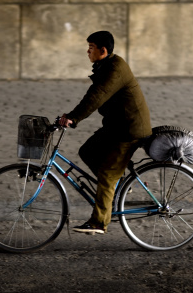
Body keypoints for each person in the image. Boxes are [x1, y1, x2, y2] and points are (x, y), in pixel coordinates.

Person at [59, 31, 152, 234]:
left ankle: (99, 222)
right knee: (88, 151)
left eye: (91, 47)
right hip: (116, 126)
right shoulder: (106, 65)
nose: (88, 51)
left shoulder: (115, 69)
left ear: (103, 50)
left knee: (107, 176)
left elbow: (96, 97)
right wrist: (73, 115)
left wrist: (73, 117)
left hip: (129, 130)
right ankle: (114, 189)